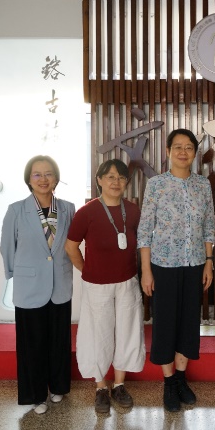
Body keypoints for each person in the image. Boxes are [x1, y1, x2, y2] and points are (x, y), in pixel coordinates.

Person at [137, 129, 215, 412]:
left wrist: (209, 261)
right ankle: (169, 383)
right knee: (166, 323)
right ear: (168, 151)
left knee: (188, 322)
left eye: (189, 147)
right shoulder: (156, 184)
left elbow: (208, 225)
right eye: (178, 147)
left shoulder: (202, 185)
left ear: (195, 153)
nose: (183, 152)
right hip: (164, 265)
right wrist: (146, 271)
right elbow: (145, 230)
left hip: (195, 264)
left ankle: (181, 379)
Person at [65, 159, 145, 414]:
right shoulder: (86, 212)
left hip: (127, 282)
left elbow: (142, 243)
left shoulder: (133, 210)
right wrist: (87, 270)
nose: (115, 182)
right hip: (97, 285)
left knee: (127, 332)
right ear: (99, 180)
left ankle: (119, 385)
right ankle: (100, 387)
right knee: (97, 334)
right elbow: (71, 247)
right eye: (110, 176)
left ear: (126, 183)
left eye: (121, 177)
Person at [0, 155, 75, 415]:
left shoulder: (68, 208)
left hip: (60, 284)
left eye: (48, 173)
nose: (43, 179)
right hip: (29, 286)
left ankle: (58, 386)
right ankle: (35, 395)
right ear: (29, 179)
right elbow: (7, 247)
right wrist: (15, 274)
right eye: (37, 174)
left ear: (56, 178)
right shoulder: (16, 210)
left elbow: (71, 244)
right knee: (32, 343)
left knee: (59, 340)